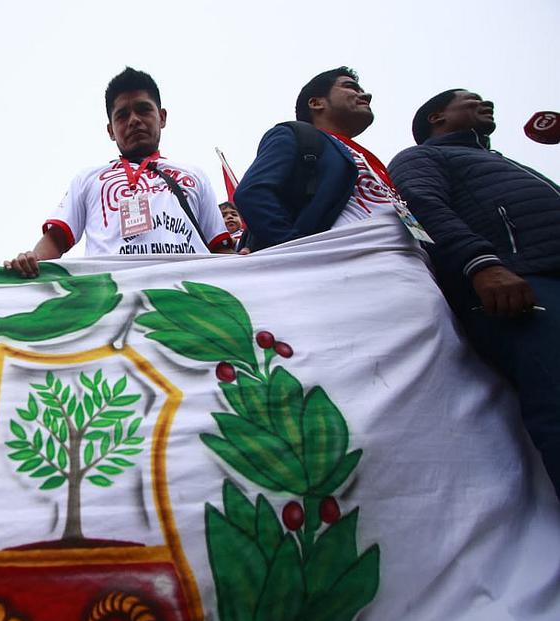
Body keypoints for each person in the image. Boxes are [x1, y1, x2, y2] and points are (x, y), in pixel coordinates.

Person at [390, 89, 560, 497]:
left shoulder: (503, 162)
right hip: (520, 286)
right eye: (472, 99)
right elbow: (421, 208)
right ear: (437, 117)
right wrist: (481, 264)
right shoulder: (420, 158)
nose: (487, 104)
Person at [5, 68, 233, 277]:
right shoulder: (88, 179)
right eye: (122, 115)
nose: (134, 120)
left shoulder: (194, 176)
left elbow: (221, 249)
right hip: (114, 296)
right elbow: (57, 239)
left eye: (144, 110)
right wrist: (32, 261)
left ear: (162, 117)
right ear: (110, 130)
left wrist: (248, 266)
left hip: (186, 294)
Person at [234, 67, 415, 251]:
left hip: (413, 260)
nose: (366, 95)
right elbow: (253, 193)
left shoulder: (370, 161)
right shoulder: (296, 136)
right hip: (348, 259)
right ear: (316, 103)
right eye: (350, 87)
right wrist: (295, 248)